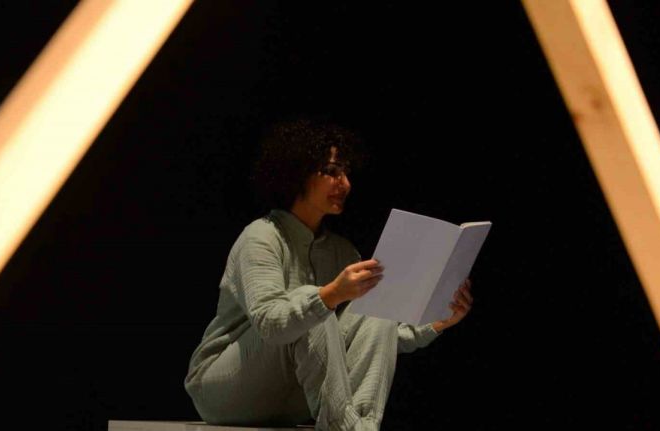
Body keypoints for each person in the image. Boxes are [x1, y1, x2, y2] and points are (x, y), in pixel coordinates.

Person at [184, 118, 473, 431]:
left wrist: (438, 323)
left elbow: (371, 340)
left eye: (346, 173)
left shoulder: (341, 251)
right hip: (227, 389)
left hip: (291, 400)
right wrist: (329, 295)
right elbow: (271, 325)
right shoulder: (261, 237)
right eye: (332, 171)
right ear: (297, 173)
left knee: (374, 313)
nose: (345, 183)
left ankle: (362, 426)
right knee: (312, 303)